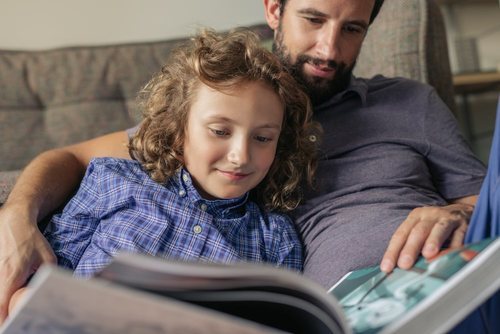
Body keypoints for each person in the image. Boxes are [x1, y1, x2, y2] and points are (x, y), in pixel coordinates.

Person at [0, 0, 487, 325]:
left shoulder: (410, 103)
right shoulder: (208, 110)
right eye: (314, 20)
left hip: (439, 281)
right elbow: (69, 160)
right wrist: (17, 220)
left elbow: (486, 198)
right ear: (275, 9)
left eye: (353, 28)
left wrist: (460, 210)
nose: (329, 49)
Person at [6, 28, 319, 313]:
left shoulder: (276, 239)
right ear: (179, 130)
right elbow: (36, 285)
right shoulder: (113, 182)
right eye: (220, 131)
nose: (240, 156)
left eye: (263, 138)